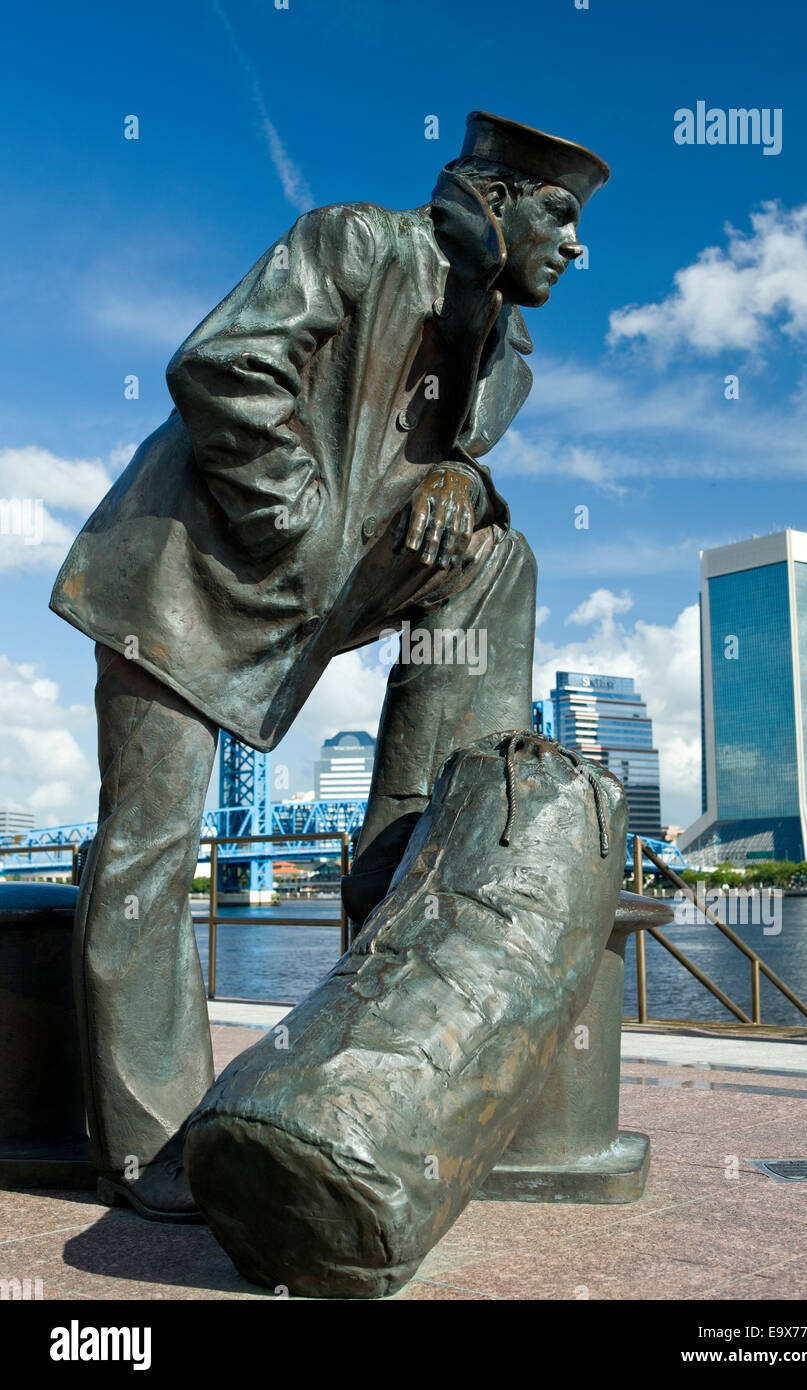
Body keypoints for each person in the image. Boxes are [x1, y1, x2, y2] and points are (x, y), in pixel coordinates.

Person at [49, 111, 610, 1220]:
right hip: (184, 574)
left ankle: (402, 965)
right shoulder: (355, 241)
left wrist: (468, 488)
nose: (577, 244)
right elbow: (223, 364)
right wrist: (300, 524)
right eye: (560, 214)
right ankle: (150, 1147)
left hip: (313, 581)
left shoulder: (501, 350)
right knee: (148, 852)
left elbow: (429, 460)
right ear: (491, 200)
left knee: (497, 557)